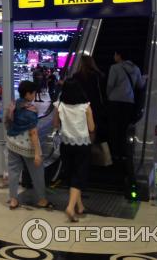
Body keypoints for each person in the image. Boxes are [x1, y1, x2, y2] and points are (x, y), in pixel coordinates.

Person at [53, 78, 96, 222]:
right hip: (82, 144)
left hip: (66, 144)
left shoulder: (59, 105)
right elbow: (91, 128)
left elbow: (55, 124)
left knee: (71, 174)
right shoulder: (85, 107)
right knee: (79, 175)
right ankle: (70, 207)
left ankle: (80, 206)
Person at [6, 80, 52, 210]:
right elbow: (33, 133)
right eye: (33, 93)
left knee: (13, 171)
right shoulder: (31, 110)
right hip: (27, 147)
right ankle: (42, 199)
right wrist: (37, 153)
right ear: (28, 94)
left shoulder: (13, 105)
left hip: (12, 143)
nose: (34, 95)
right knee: (37, 172)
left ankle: (13, 199)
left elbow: (8, 122)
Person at [106, 49, 146, 159]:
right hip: (129, 102)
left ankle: (114, 153)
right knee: (124, 128)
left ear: (119, 56)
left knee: (114, 127)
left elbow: (110, 84)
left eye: (115, 54)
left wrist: (108, 95)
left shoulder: (115, 68)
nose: (114, 56)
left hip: (114, 101)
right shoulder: (136, 68)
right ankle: (124, 152)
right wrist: (144, 78)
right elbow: (140, 86)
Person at [72, 56, 106, 140]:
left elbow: (73, 91)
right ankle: (91, 148)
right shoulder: (99, 75)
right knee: (92, 129)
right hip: (95, 106)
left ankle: (82, 148)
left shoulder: (76, 76)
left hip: (80, 105)